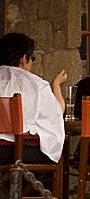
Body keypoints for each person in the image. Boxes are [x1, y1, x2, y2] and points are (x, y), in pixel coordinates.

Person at [0, 32, 65, 164]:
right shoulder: (37, 85)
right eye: (32, 59)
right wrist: (56, 85)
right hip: (20, 153)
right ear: (24, 59)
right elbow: (56, 114)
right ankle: (31, 185)